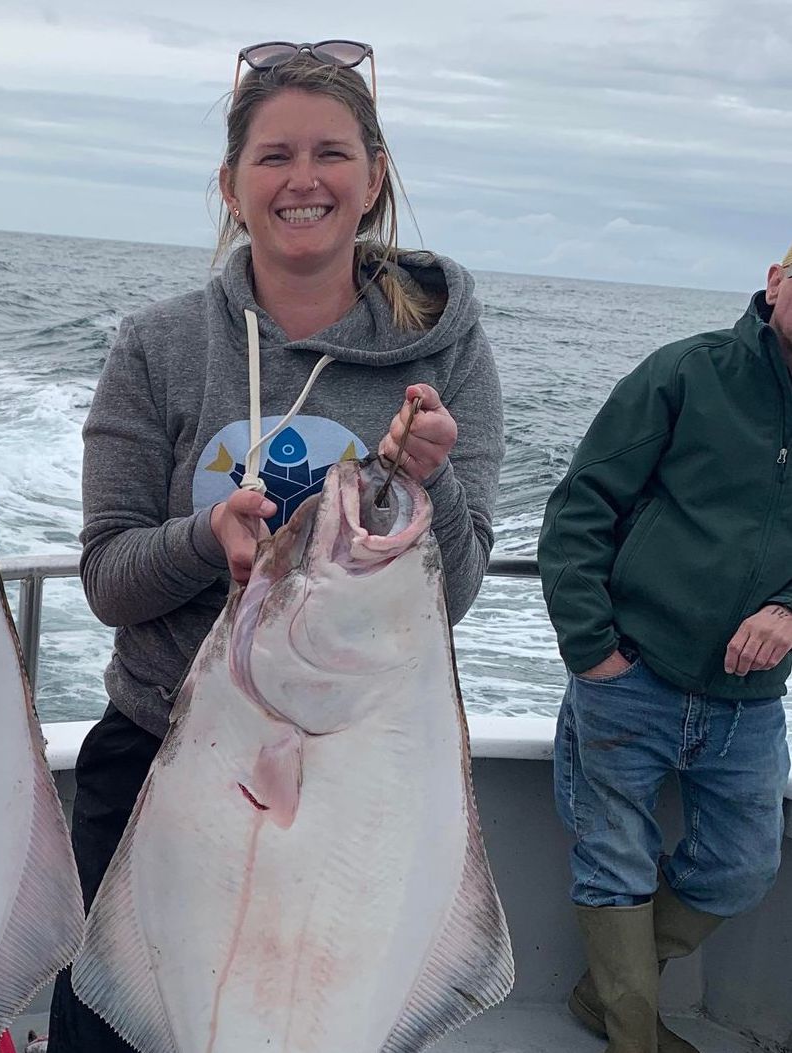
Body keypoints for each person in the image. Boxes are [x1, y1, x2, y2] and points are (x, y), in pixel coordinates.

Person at [46, 42, 505, 1052]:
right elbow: (107, 578)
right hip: (159, 766)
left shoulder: (448, 348)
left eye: (333, 153)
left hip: (364, 786)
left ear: (375, 176)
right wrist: (203, 541)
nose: (305, 180)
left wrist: (437, 482)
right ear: (230, 185)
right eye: (273, 156)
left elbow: (457, 592)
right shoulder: (159, 346)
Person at [537, 243, 792, 1053]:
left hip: (748, 703)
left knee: (743, 865)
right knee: (612, 864)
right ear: (776, 280)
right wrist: (591, 653)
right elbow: (580, 507)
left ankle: (606, 999)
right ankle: (634, 1034)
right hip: (631, 676)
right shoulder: (686, 371)